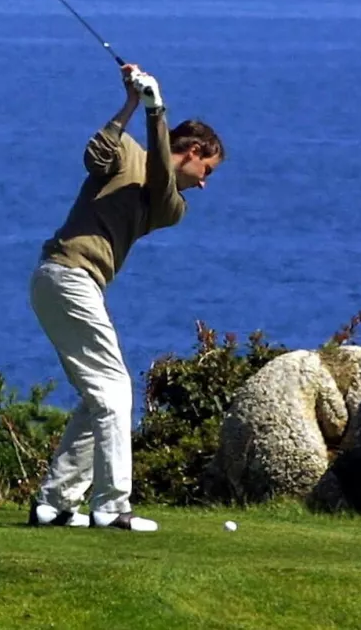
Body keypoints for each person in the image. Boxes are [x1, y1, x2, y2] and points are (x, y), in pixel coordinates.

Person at [26, 63, 223, 532]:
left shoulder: (172, 204)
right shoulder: (126, 153)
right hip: (66, 275)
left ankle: (54, 503)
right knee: (115, 392)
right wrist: (133, 105)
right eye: (207, 169)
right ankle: (112, 506)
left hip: (68, 281)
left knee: (100, 396)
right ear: (194, 151)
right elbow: (95, 154)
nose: (206, 181)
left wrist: (156, 110)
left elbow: (159, 174)